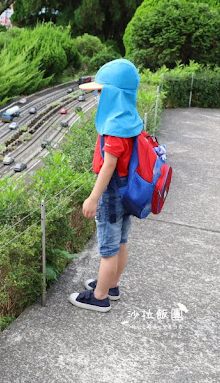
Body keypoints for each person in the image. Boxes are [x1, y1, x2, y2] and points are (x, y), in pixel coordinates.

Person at [68, 59, 144, 312]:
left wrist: (92, 198)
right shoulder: (130, 119)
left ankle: (99, 297)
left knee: (108, 250)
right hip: (127, 191)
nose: (98, 97)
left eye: (101, 92)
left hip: (111, 193)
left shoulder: (114, 129)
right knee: (121, 241)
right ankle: (111, 285)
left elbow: (108, 166)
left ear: (114, 95)